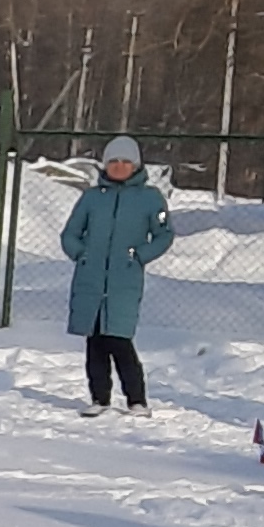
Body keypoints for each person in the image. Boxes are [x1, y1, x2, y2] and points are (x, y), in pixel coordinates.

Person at [62, 138, 174, 413]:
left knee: (119, 339)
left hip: (124, 280)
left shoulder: (150, 198)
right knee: (95, 339)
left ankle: (136, 399)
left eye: (126, 162)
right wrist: (82, 254)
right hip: (91, 279)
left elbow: (164, 234)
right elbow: (70, 234)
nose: (119, 167)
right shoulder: (91, 198)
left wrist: (139, 256)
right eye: (114, 162)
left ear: (135, 165)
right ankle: (99, 398)